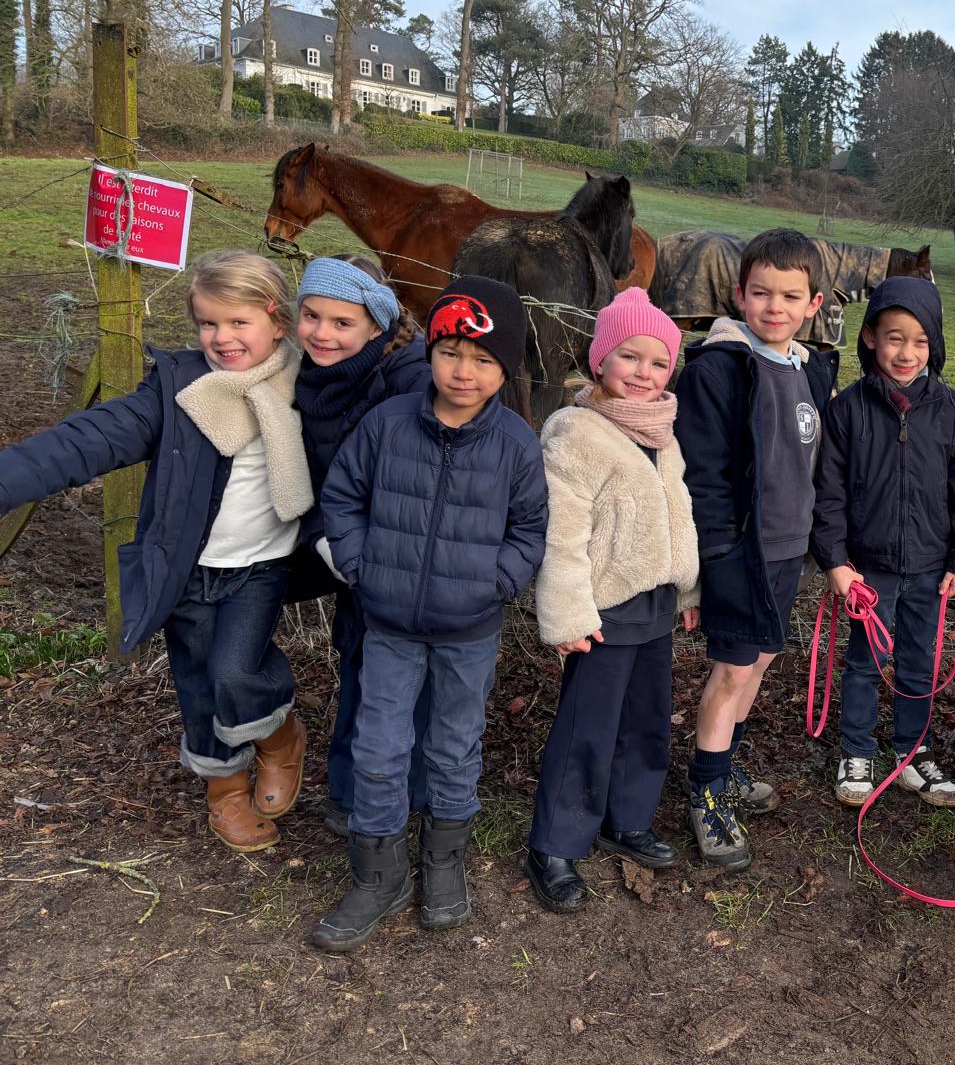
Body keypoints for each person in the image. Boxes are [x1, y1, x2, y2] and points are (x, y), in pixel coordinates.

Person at [0, 250, 312, 852]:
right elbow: (89, 439)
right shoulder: (178, 390)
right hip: (184, 569)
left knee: (235, 671)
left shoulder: (308, 388)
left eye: (238, 321)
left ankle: (279, 736)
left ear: (278, 321)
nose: (222, 337)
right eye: (208, 323)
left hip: (260, 569)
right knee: (197, 682)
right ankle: (224, 787)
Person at [309, 275, 548, 952]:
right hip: (388, 627)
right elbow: (342, 497)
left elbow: (530, 529)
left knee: (452, 746)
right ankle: (378, 875)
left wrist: (495, 583)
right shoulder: (387, 425)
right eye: (450, 353)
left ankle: (443, 863)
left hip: (469, 633)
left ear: (505, 369)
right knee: (378, 750)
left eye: (483, 360)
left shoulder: (516, 445)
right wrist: (360, 566)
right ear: (430, 352)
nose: (463, 372)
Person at [523, 289, 701, 912]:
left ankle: (627, 818)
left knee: (646, 718)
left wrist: (688, 586)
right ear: (600, 359)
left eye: (658, 362)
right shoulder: (576, 432)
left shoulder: (662, 432)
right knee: (588, 725)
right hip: (602, 610)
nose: (643, 373)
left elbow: (677, 513)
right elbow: (562, 534)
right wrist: (567, 615)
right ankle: (555, 841)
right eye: (629, 356)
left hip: (654, 603)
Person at [675, 228, 839, 870]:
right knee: (733, 671)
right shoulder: (719, 369)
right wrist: (713, 556)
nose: (775, 307)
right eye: (762, 293)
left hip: (788, 550)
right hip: (739, 550)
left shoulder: (812, 369)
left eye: (791, 296)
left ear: (814, 304)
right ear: (740, 294)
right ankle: (707, 793)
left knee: (762, 661)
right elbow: (703, 475)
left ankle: (726, 764)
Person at [810, 276, 955, 807]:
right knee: (865, 661)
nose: (906, 353)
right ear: (869, 337)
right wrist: (836, 561)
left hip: (933, 567)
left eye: (920, 341)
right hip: (870, 569)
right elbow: (829, 494)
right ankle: (856, 751)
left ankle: (913, 754)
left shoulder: (954, 413)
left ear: (935, 344)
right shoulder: (847, 411)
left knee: (918, 663)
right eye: (894, 338)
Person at [290, 255, 432, 836]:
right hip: (350, 554)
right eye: (311, 316)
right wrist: (328, 540)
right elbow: (309, 473)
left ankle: (410, 792)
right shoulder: (307, 375)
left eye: (341, 322)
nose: (322, 333)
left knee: (405, 675)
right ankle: (351, 791)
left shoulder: (411, 379)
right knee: (358, 663)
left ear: (376, 324)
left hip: (408, 555)